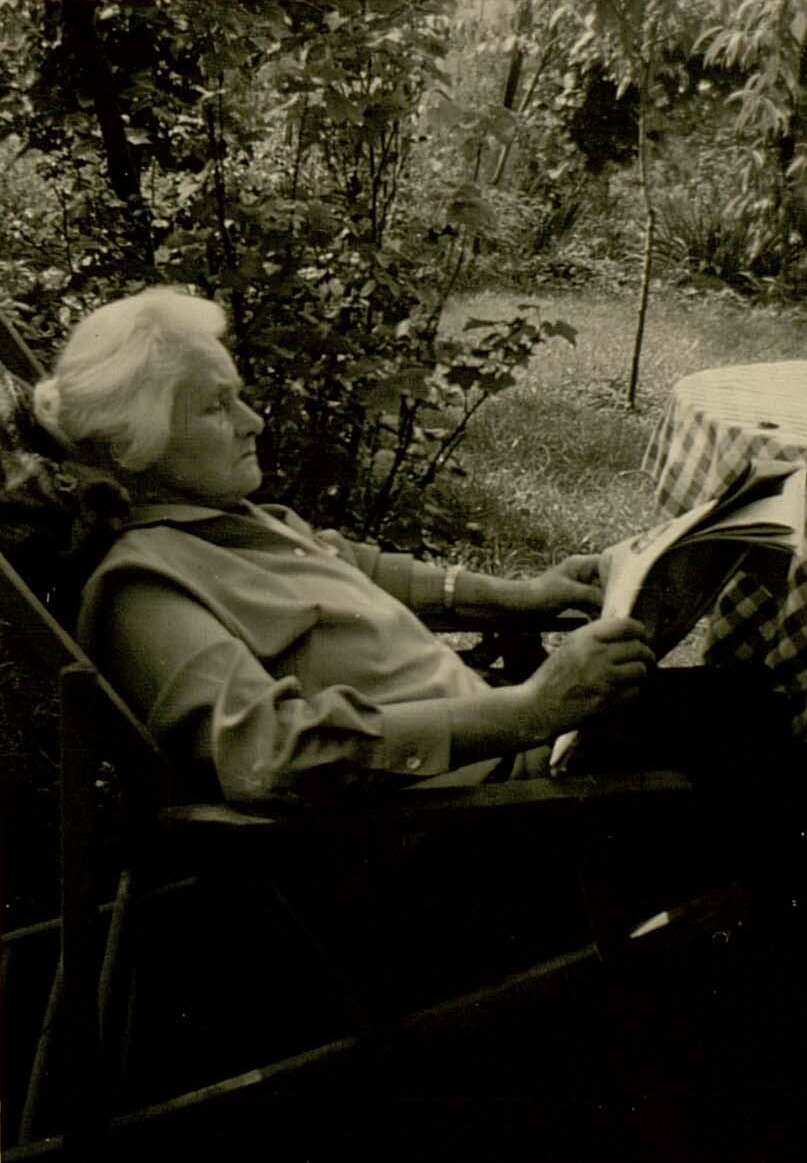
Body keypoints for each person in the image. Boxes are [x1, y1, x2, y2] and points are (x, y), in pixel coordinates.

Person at [33, 286, 655, 806]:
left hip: (519, 754)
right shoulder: (143, 592)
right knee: (740, 768)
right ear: (130, 443)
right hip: (477, 820)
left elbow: (351, 565)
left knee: (740, 700)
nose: (254, 421)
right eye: (216, 408)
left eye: (239, 395)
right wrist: (530, 710)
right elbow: (270, 755)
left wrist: (523, 594)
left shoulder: (230, 522)